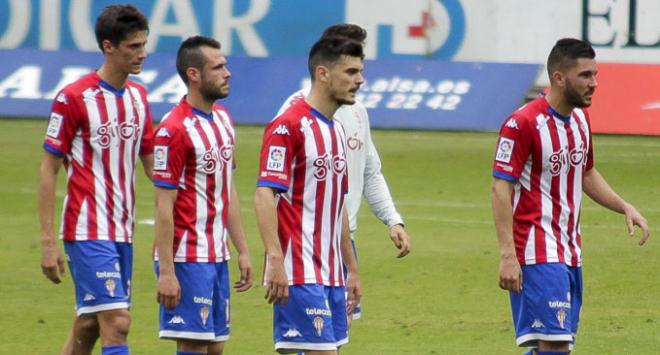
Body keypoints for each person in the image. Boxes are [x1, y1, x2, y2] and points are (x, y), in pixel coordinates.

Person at [491, 38, 650, 355]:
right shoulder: (522, 124)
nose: (594, 84)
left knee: (555, 345)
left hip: (570, 250)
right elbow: (500, 187)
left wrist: (623, 206)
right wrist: (508, 254)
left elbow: (586, 172)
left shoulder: (580, 118)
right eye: (585, 76)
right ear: (559, 78)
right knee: (556, 344)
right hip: (537, 250)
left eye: (595, 74)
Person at [38, 4, 152, 355]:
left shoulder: (139, 97)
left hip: (124, 230)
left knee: (88, 325)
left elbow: (152, 164)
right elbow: (48, 168)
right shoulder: (73, 98)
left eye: (143, 45)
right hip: (87, 229)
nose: (142, 54)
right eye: (133, 47)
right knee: (117, 323)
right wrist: (47, 242)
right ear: (108, 47)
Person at [277, 25, 410, 322]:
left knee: (334, 339)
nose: (359, 77)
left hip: (342, 244)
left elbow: (370, 171)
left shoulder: (356, 112)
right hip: (302, 249)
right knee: (310, 340)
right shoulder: (292, 114)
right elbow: (271, 190)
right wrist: (277, 253)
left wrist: (393, 220)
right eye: (350, 66)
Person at [254, 36, 364, 354]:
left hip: (331, 274)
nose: (360, 80)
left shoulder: (336, 130)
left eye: (360, 72)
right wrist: (275, 259)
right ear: (323, 73)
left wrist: (352, 269)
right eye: (351, 72)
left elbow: (337, 207)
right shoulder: (288, 126)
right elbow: (264, 195)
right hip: (297, 271)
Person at [152, 35, 253, 355]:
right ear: (194, 74)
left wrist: (243, 250)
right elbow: (162, 205)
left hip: (216, 255)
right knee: (194, 346)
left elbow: (228, 190)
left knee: (216, 347)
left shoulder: (223, 120)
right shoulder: (173, 130)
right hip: (187, 257)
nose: (228, 73)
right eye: (218, 67)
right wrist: (167, 272)